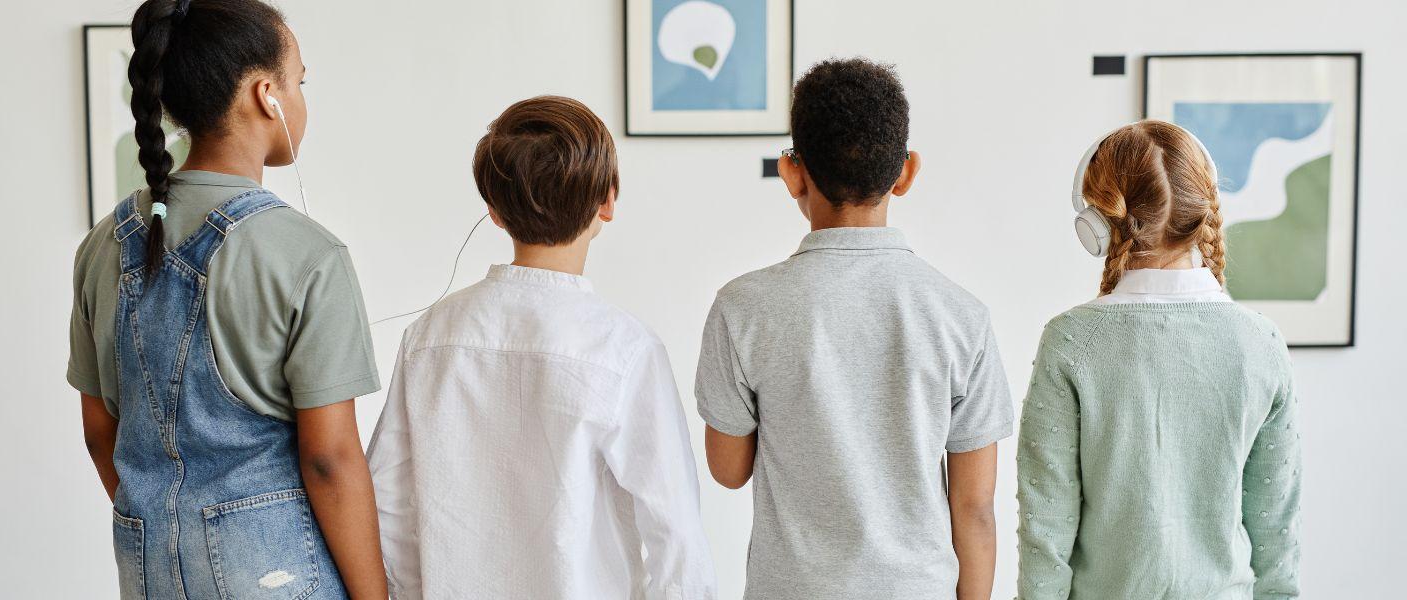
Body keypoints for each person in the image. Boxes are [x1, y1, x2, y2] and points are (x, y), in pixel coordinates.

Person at [67, 1, 387, 597]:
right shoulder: (306, 252)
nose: (300, 99)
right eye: (299, 82)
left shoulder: (101, 245)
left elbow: (98, 432)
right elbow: (330, 461)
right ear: (267, 94)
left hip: (150, 568)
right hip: (276, 571)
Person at [367, 95, 717, 600]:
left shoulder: (429, 337)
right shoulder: (626, 349)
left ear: (493, 211)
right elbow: (675, 533)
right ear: (608, 201)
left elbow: (389, 503)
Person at [695, 58, 1015, 600]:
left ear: (792, 172)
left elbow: (729, 470)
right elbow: (975, 508)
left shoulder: (742, 307)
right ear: (907, 172)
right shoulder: (961, 315)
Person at [1015, 120, 1301, 599]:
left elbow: (1047, 524)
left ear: (1098, 222)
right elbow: (1276, 529)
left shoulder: (1070, 340)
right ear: (1204, 209)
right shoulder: (1261, 342)